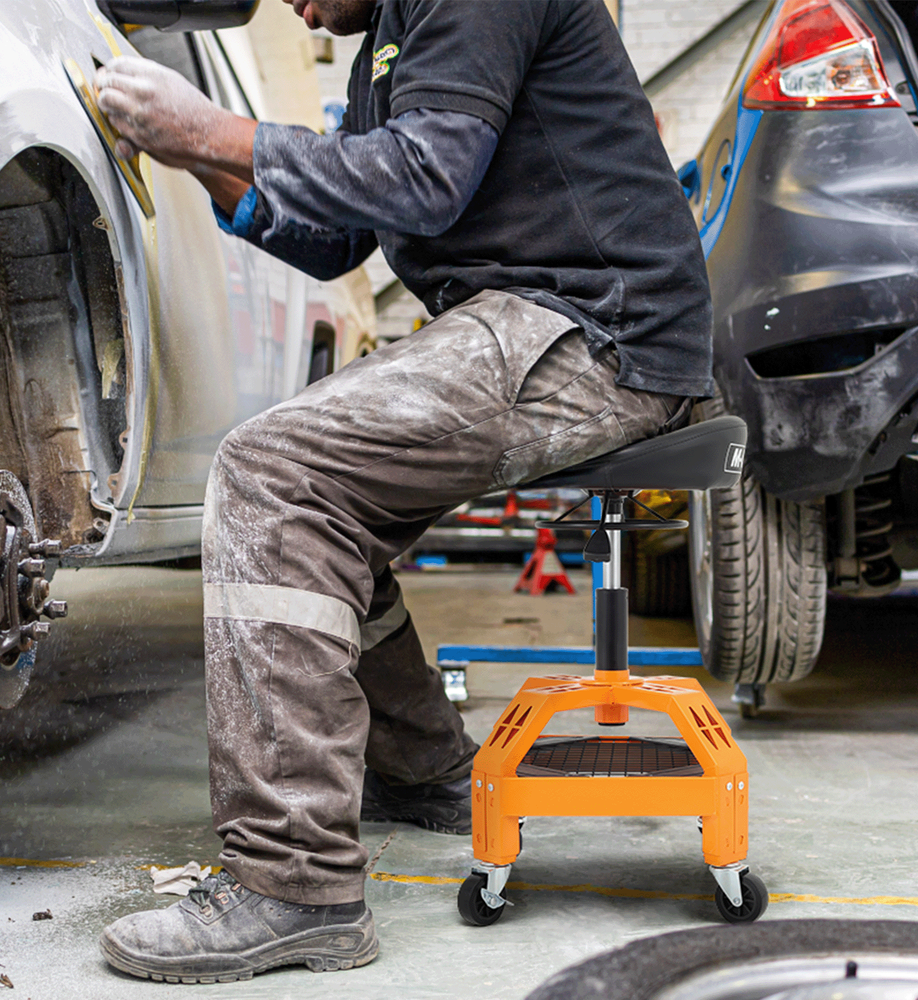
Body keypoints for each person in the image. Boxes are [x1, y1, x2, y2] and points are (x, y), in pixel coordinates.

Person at [94, 0, 712, 983]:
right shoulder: (394, 37)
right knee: (326, 500)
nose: (292, 6)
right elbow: (342, 241)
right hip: (537, 318)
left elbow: (422, 180)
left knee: (272, 474)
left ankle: (292, 885)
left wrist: (213, 125)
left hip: (593, 334)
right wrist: (204, 158)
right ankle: (424, 768)